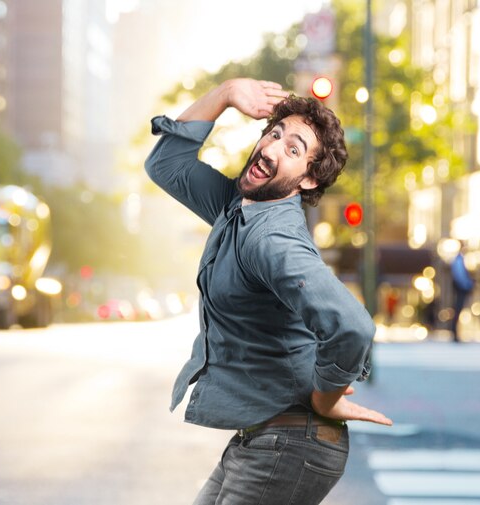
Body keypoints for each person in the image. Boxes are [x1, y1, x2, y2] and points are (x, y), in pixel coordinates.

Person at [145, 78, 391, 505]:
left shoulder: (272, 240)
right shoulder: (236, 207)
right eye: (274, 135)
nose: (274, 149)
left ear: (309, 181)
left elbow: (352, 327)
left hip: (292, 444)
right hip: (264, 436)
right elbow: (166, 163)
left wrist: (326, 396)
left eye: (294, 150)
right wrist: (224, 94)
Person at [450, 249, 474, 342]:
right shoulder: (459, 260)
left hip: (461, 288)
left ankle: (455, 332)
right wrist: (468, 285)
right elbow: (459, 276)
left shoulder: (459, 260)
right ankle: (454, 332)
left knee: (458, 310)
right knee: (458, 310)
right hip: (461, 289)